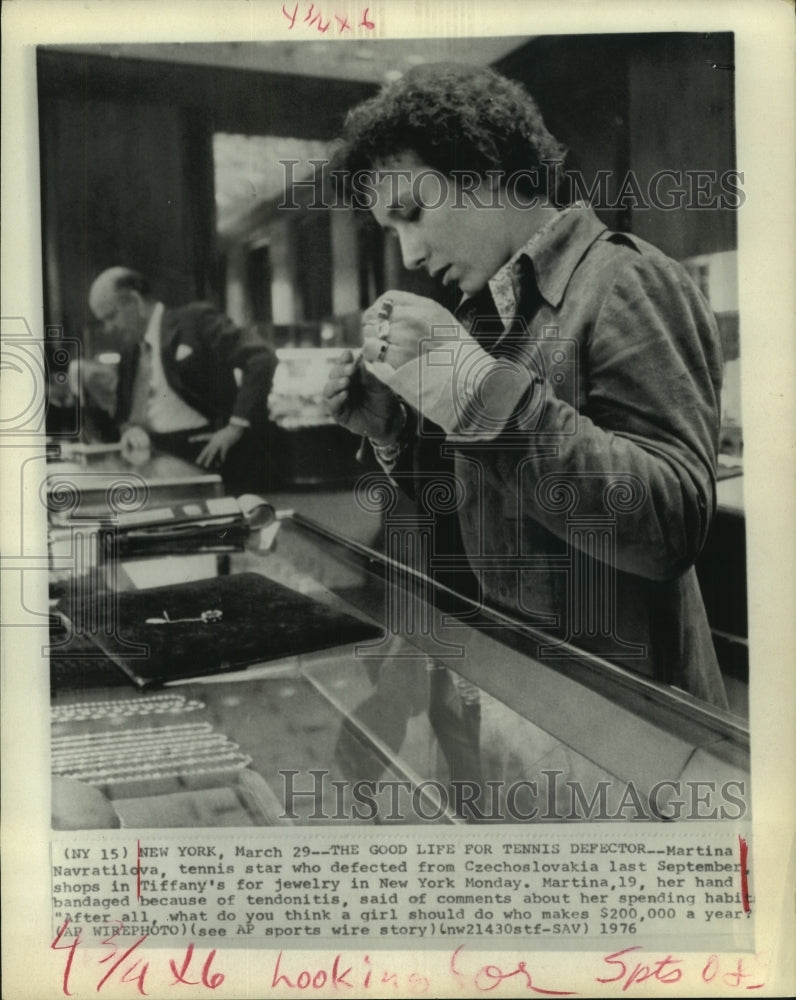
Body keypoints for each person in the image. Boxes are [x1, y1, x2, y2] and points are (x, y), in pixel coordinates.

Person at [323, 63, 729, 709]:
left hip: (629, 709)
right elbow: (477, 511)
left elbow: (672, 526)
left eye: (412, 215)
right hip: (527, 692)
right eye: (391, 231)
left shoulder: (627, 279)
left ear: (486, 170)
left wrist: (479, 394)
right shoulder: (480, 313)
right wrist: (395, 434)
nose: (409, 256)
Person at [87, 267, 277, 488]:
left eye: (111, 316)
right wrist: (131, 429)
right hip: (150, 460)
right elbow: (122, 413)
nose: (109, 328)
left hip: (203, 456)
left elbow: (261, 358)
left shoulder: (194, 320)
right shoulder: (130, 352)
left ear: (134, 300)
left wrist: (236, 426)